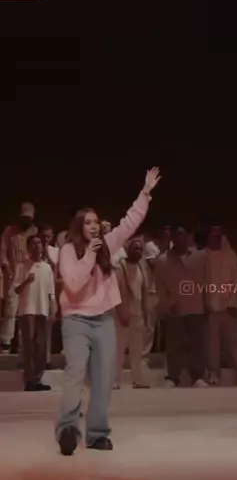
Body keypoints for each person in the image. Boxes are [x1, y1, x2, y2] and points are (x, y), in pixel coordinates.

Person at [55, 167, 161, 456]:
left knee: (104, 379)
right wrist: (89, 254)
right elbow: (73, 285)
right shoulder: (69, 251)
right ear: (79, 226)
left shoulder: (108, 245)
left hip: (103, 320)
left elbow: (130, 222)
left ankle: (97, 433)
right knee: (75, 373)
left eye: (95, 222)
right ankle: (68, 429)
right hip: (76, 320)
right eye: (87, 222)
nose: (93, 226)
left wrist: (145, 192)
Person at [155, 226, 208, 388]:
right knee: (174, 345)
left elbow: (207, 280)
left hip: (196, 307)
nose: (180, 238)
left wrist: (206, 302)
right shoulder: (163, 260)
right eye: (177, 235)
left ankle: (198, 377)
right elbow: (159, 286)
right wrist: (168, 304)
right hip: (175, 310)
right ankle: (173, 377)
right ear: (173, 238)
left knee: (197, 344)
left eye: (183, 234)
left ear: (188, 237)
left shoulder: (200, 257)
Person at [205, 223, 237, 386]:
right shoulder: (203, 256)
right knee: (212, 342)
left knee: (234, 340)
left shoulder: (231, 256)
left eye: (219, 235)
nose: (216, 238)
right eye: (213, 235)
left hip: (229, 307)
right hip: (210, 307)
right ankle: (213, 373)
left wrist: (233, 302)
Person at [14, 234, 56, 391]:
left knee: (41, 346)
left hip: (42, 310)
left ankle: (37, 379)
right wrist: (26, 281)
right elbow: (16, 289)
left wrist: (53, 309)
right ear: (28, 248)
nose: (36, 246)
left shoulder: (47, 267)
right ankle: (29, 379)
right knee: (29, 345)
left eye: (38, 243)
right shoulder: (22, 266)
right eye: (32, 244)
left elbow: (51, 292)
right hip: (27, 310)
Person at [0, 202, 37, 353]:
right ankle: (6, 342)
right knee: (11, 309)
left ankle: (23, 344)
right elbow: (3, 251)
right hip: (12, 276)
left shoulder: (34, 231)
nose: (26, 221)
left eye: (29, 218)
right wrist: (7, 268)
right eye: (24, 218)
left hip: (29, 277)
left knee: (27, 311)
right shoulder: (9, 231)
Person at [115, 236, 150, 389]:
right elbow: (115, 292)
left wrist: (146, 315)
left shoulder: (142, 268)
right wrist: (120, 312)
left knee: (137, 351)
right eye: (135, 248)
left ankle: (138, 380)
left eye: (140, 249)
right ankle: (114, 380)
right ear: (129, 249)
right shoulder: (120, 267)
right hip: (123, 315)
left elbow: (144, 293)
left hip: (138, 315)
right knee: (119, 350)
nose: (138, 251)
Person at [143, 223, 172, 355]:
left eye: (169, 230)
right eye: (164, 230)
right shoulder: (150, 246)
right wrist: (164, 249)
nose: (167, 232)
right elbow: (155, 266)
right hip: (152, 290)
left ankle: (169, 352)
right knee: (150, 325)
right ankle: (144, 354)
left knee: (170, 324)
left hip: (169, 291)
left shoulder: (173, 245)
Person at [40, 223, 60, 367]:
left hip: (50, 293)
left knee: (48, 329)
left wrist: (46, 252)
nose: (46, 239)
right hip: (35, 293)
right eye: (44, 236)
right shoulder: (33, 249)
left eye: (49, 236)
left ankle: (46, 360)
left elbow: (56, 270)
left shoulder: (55, 251)